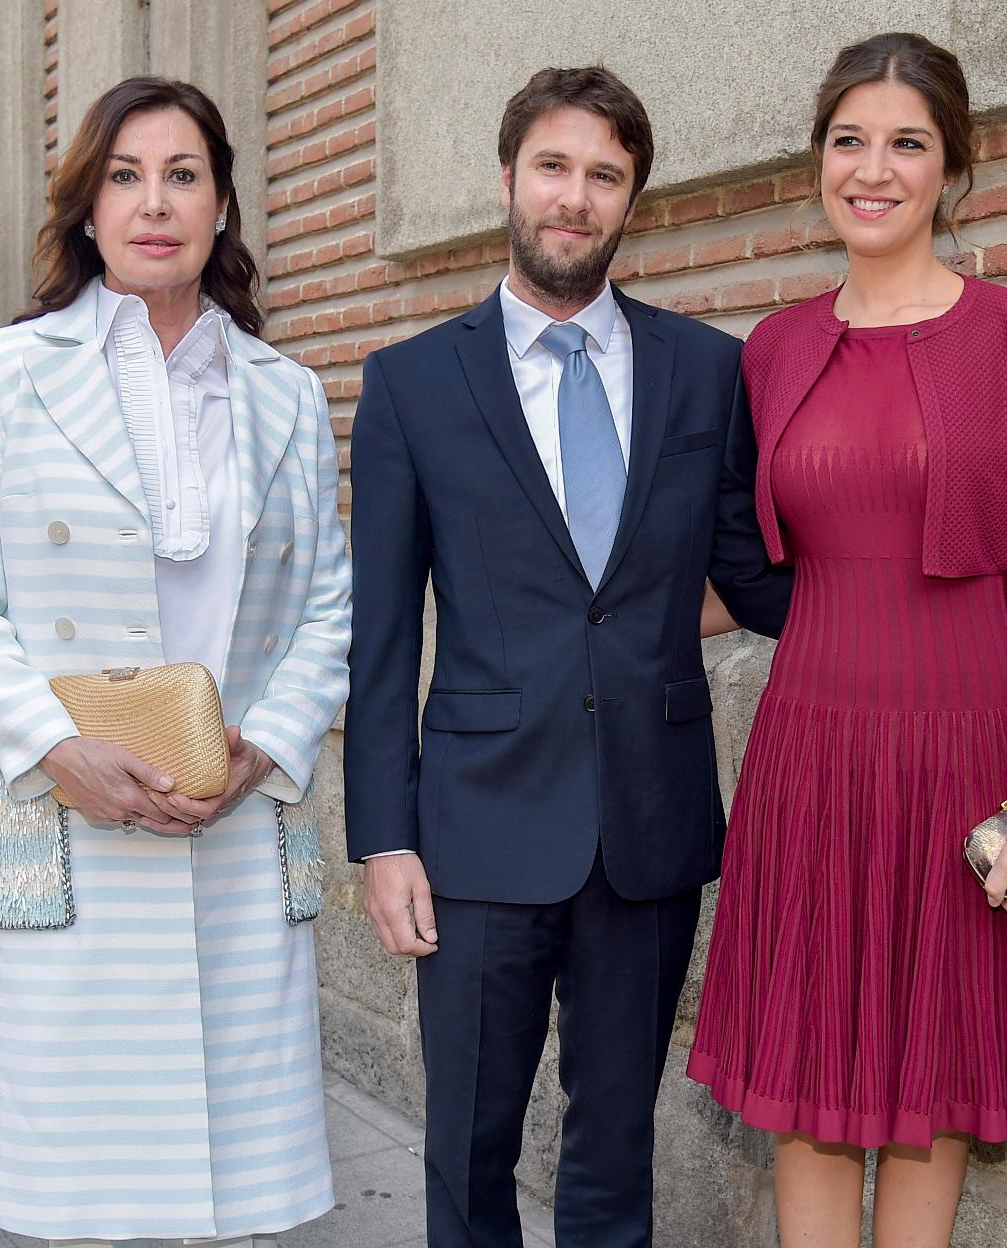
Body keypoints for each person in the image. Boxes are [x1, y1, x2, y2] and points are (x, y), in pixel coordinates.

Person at [343, 66, 791, 1246]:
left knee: (615, 1150)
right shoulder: (410, 383)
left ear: (633, 199)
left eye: (605, 175)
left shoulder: (708, 370)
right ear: (509, 177)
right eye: (554, 166)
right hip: (476, 828)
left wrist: (925, 594)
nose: (574, 197)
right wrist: (384, 837)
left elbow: (753, 578)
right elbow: (380, 637)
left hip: (650, 822)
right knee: (469, 1149)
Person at [0, 77, 351, 1248]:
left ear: (222, 205)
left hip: (232, 819)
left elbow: (327, 606)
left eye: (182, 175)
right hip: (69, 820)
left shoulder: (286, 394)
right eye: (125, 176)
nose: (154, 202)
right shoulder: (9, 372)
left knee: (227, 1193)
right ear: (89, 207)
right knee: (87, 1197)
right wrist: (59, 750)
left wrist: (265, 749)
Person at [688, 32, 1007, 1248]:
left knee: (938, 1091)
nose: (872, 170)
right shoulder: (773, 349)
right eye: (848, 141)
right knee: (806, 1086)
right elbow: (749, 572)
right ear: (818, 160)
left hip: (964, 754)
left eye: (906, 143)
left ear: (952, 166)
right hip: (809, 755)